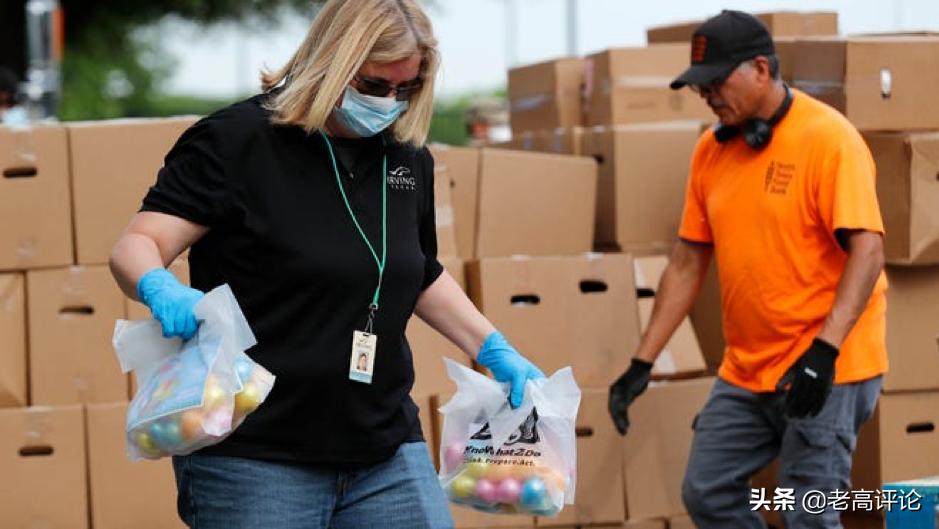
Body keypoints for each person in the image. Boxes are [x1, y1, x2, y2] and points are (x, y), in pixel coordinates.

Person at [109, 1, 544, 528]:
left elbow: (417, 270)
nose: (389, 102)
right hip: (257, 453)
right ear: (331, 61)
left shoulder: (406, 157)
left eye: (405, 89)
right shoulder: (235, 142)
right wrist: (158, 285)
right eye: (375, 85)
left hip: (383, 447)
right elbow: (138, 243)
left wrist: (492, 348)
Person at [607, 10, 887, 529]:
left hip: (829, 364)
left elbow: (868, 252)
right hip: (747, 366)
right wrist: (643, 362)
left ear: (761, 68)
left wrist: (824, 353)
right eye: (700, 85)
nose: (707, 94)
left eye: (716, 81)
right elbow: (687, 261)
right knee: (707, 492)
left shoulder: (829, 139)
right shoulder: (711, 152)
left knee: (807, 511)